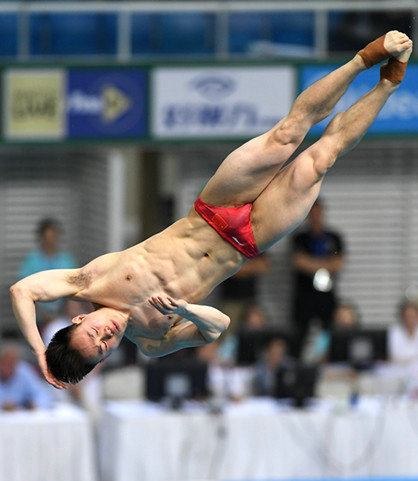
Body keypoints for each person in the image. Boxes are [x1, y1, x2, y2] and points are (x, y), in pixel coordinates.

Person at [9, 31, 413, 389]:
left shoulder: (90, 281)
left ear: (79, 319)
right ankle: (388, 83)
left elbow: (22, 290)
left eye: (94, 333)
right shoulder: (151, 341)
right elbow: (218, 328)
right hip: (249, 240)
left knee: (288, 134)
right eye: (104, 347)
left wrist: (39, 351)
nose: (106, 335)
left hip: (214, 209)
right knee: (321, 159)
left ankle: (364, 58)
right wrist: (187, 310)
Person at [291, 198, 345, 357]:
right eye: (312, 213)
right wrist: (325, 264)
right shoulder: (300, 238)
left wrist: (312, 264)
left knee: (329, 333)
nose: (315, 217)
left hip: (326, 296)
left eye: (318, 213)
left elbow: (338, 264)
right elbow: (298, 262)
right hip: (305, 295)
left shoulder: (334, 238)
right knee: (300, 334)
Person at [18, 218, 77, 320]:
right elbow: (24, 290)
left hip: (63, 313)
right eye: (47, 237)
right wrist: (42, 315)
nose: (50, 241)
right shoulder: (31, 260)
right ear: (41, 238)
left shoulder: (66, 260)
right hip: (38, 313)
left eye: (53, 236)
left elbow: (74, 288)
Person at [0, 342, 52, 410]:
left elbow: (44, 396)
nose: (7, 366)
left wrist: (34, 404)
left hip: (20, 415)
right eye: (5, 362)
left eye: (11, 363)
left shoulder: (24, 372)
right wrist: (3, 406)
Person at [388, 300, 418, 365]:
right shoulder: (395, 331)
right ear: (403, 317)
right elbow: (396, 354)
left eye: (413, 316)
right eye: (408, 316)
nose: (411, 319)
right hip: (399, 367)